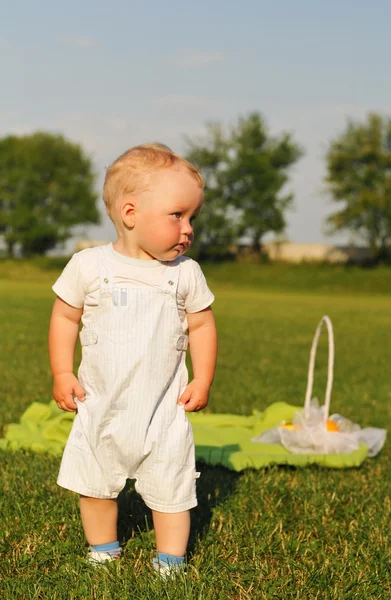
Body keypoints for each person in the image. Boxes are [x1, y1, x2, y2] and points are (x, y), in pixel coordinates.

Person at [48, 143, 217, 575]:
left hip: (163, 408)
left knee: (172, 483)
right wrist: (62, 370)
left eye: (192, 217)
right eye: (177, 215)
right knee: (96, 483)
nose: (188, 228)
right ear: (130, 213)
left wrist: (202, 378)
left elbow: (201, 326)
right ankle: (103, 547)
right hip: (101, 403)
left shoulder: (184, 273)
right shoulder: (89, 266)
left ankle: (171, 558)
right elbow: (66, 317)